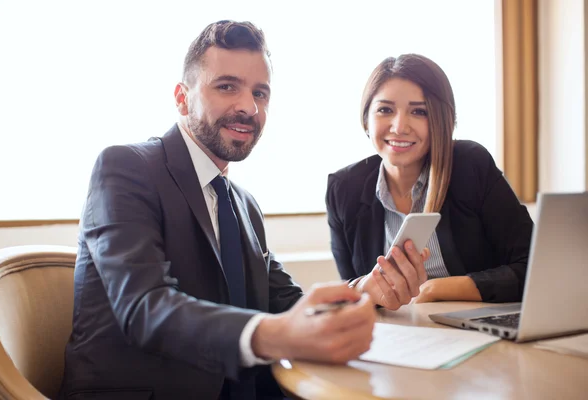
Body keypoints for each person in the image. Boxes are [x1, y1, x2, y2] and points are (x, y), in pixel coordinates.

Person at [59, 20, 376, 400]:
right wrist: (273, 335)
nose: (248, 107)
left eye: (261, 93)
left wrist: (365, 292)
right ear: (182, 97)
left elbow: (289, 305)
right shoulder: (125, 168)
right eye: (227, 86)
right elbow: (144, 307)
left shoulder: (244, 204)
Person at [325, 54, 534, 311]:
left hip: (474, 328)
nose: (399, 126)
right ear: (366, 118)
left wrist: (437, 289)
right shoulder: (344, 188)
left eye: (419, 111)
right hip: (397, 335)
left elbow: (534, 268)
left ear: (440, 121)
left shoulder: (471, 166)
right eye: (385, 110)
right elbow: (353, 287)